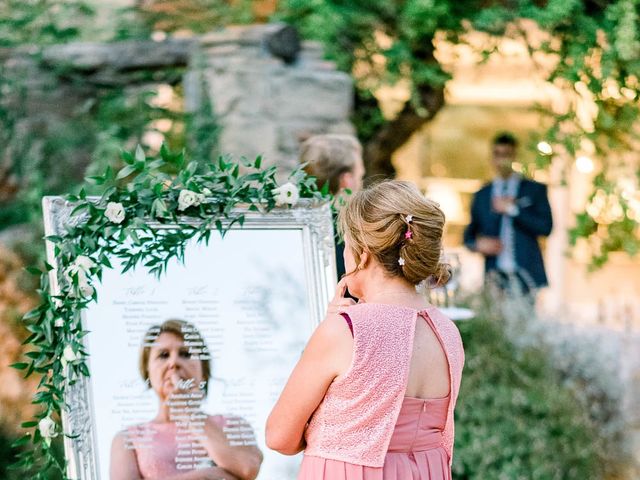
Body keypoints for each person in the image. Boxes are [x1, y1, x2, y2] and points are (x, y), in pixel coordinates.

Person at [266, 180, 465, 479]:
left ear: (362, 255)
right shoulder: (447, 331)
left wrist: (333, 326)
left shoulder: (345, 332)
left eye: (346, 245)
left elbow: (279, 436)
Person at [110, 319, 263, 480]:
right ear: (147, 372)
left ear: (203, 370)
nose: (174, 362)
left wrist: (189, 412)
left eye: (185, 354)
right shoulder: (129, 439)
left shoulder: (232, 424)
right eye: (163, 355)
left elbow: (247, 467)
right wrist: (204, 476)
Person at [463, 132, 553, 294]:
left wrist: (514, 210)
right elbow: (469, 236)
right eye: (498, 154)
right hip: (494, 276)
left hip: (526, 275)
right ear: (491, 157)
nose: (502, 160)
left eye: (507, 155)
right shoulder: (483, 195)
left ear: (514, 156)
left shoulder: (534, 190)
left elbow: (546, 227)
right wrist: (478, 244)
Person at [300, 134, 366, 279]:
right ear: (347, 181)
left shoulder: (293, 224)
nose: (361, 183)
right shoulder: (352, 238)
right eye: (360, 177)